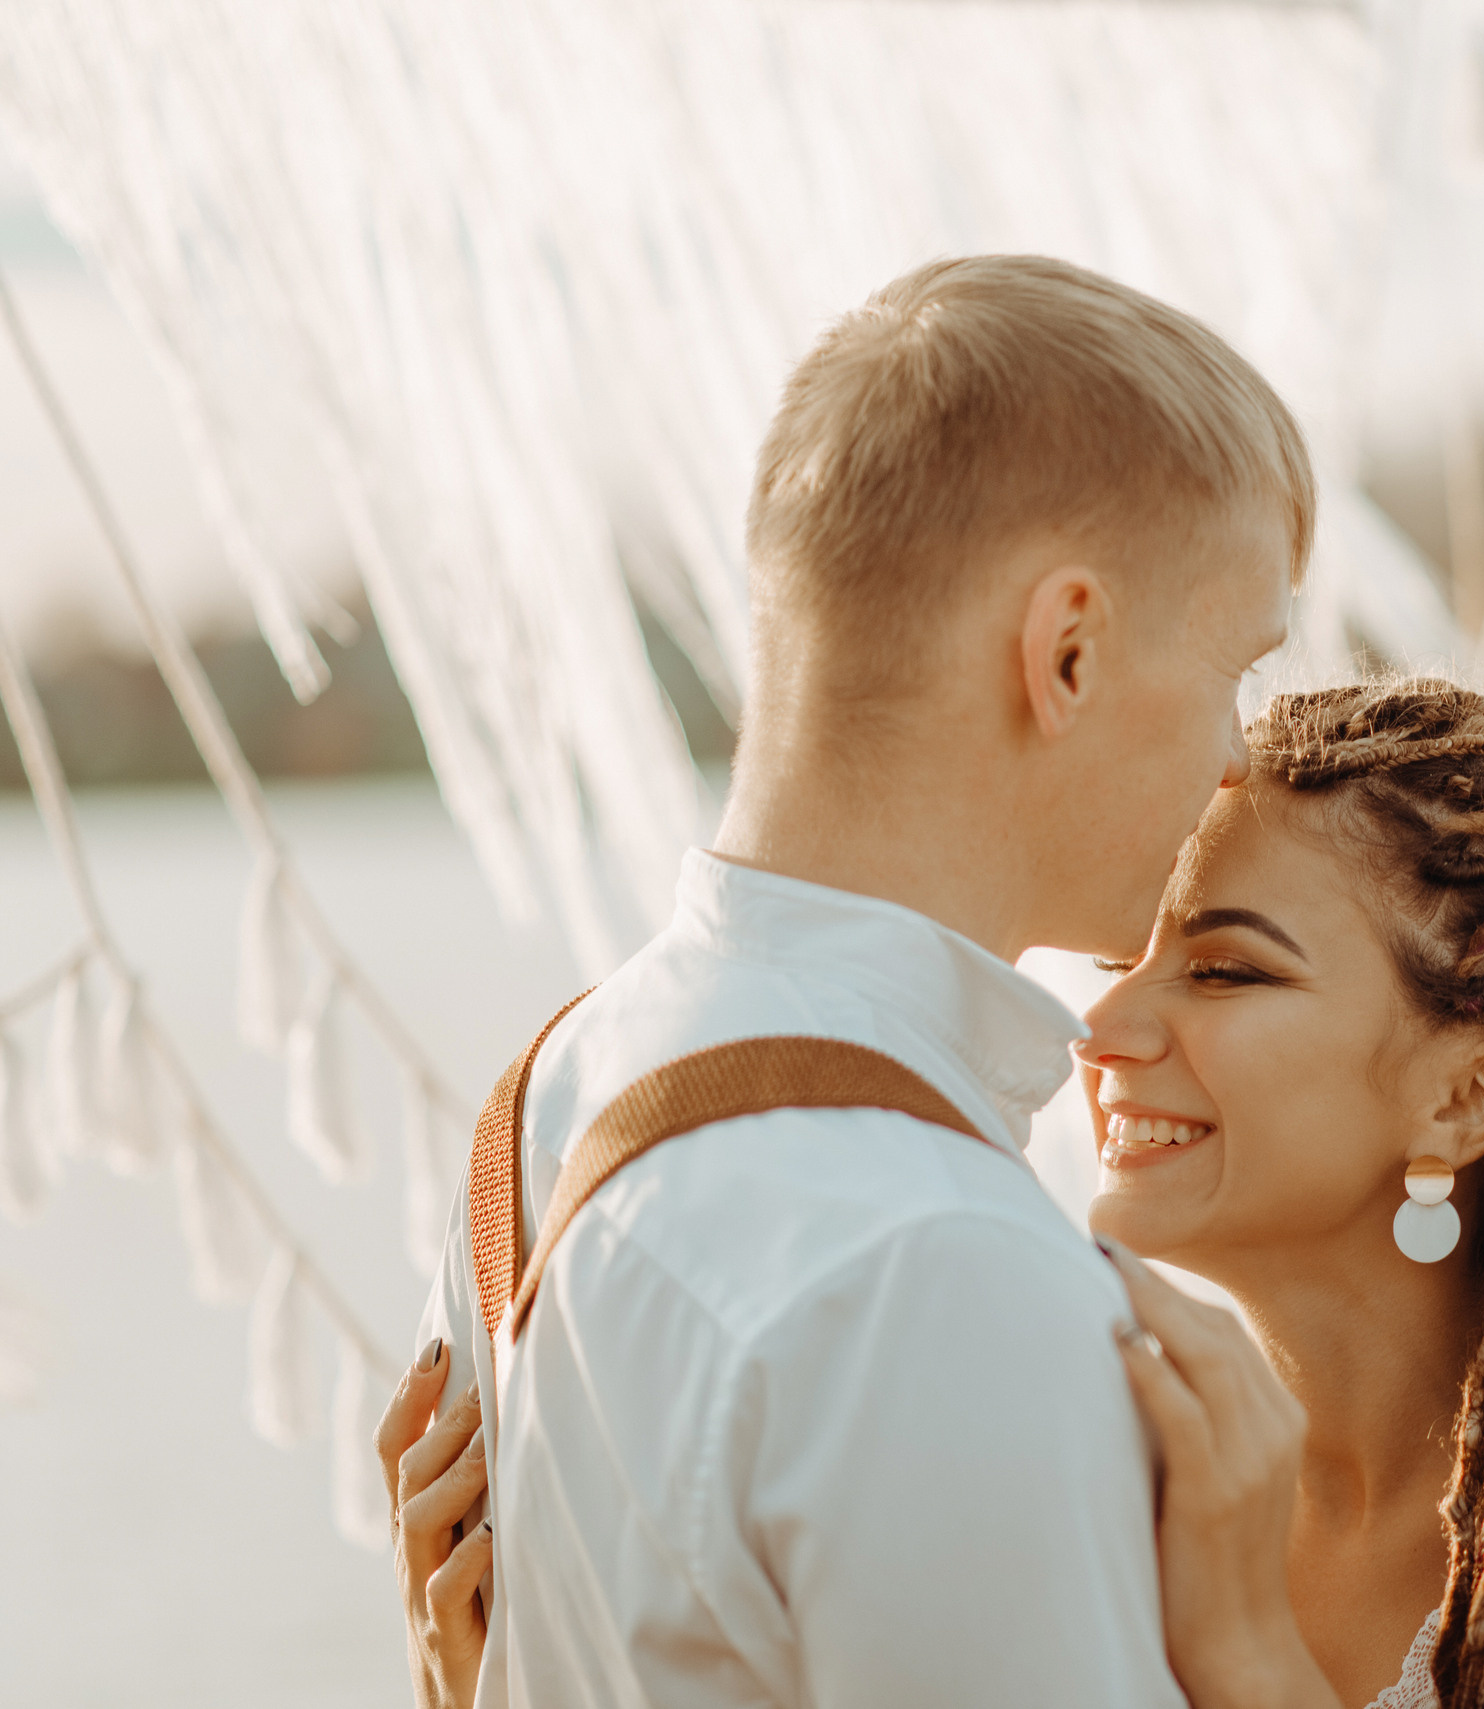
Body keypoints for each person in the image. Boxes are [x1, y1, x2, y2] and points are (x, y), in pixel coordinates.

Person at [387, 673, 1484, 1705]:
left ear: (1462, 1096)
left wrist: (1248, 1662)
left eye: (1224, 968)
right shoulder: (1064, 1430)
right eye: (1122, 959)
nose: (1102, 1029)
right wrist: (512, 1674)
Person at [378, 252, 1314, 1709]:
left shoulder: (546, 1096)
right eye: (1233, 673)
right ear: (1066, 653)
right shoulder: (943, 1271)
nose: (1240, 760)